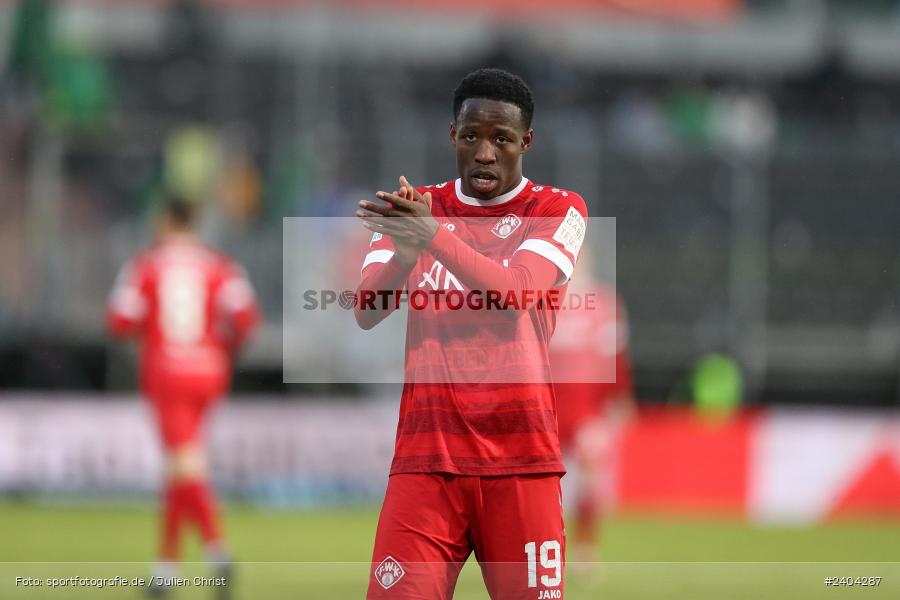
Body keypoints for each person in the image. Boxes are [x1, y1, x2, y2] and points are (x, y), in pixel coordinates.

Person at [354, 68, 588, 599]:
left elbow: (516, 293)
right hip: (426, 462)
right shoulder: (416, 209)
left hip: (522, 464)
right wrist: (407, 253)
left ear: (525, 141)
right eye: (472, 137)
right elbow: (367, 309)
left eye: (501, 139)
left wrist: (431, 235)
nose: (485, 152)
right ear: (453, 136)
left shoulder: (556, 208)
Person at [107, 195, 259, 598]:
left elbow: (120, 321)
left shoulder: (146, 264)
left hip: (168, 373)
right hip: (209, 371)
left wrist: (149, 330)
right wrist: (222, 352)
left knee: (185, 467)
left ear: (165, 219)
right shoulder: (220, 265)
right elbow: (246, 319)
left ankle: (217, 551)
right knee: (180, 467)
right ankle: (166, 567)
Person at [550, 250, 635, 570]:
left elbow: (617, 356)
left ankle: (585, 549)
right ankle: (544, 547)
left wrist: (621, 397)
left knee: (589, 479)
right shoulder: (543, 296)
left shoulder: (605, 304)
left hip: (588, 410)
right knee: (544, 486)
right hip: (546, 409)